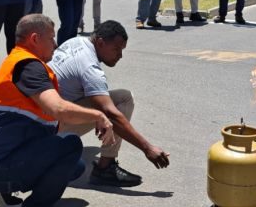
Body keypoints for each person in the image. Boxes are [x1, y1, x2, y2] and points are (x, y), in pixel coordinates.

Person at [0, 14, 116, 207]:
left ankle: (3, 187)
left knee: (74, 167)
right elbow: (58, 109)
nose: (55, 45)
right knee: (71, 146)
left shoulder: (17, 60)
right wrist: (98, 115)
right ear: (35, 39)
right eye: (51, 38)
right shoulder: (29, 66)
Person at [51, 21, 170, 187]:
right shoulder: (90, 69)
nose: (120, 55)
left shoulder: (75, 42)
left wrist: (101, 115)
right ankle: (105, 169)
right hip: (51, 130)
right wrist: (147, 148)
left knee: (109, 105)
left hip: (40, 118)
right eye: (117, 49)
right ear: (100, 42)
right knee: (123, 100)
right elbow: (112, 114)